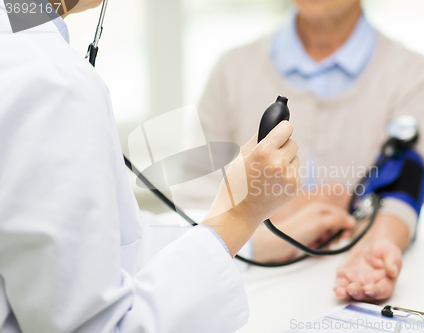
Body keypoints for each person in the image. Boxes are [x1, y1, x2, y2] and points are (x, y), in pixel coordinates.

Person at [0, 1, 300, 332]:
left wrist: (250, 238)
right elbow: (99, 326)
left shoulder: (21, 42)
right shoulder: (53, 83)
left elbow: (113, 242)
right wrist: (241, 216)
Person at [183, 0, 424, 301]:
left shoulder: (419, 77)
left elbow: (402, 191)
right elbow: (192, 210)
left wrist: (377, 249)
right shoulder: (230, 72)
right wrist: (284, 214)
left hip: (335, 301)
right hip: (244, 298)